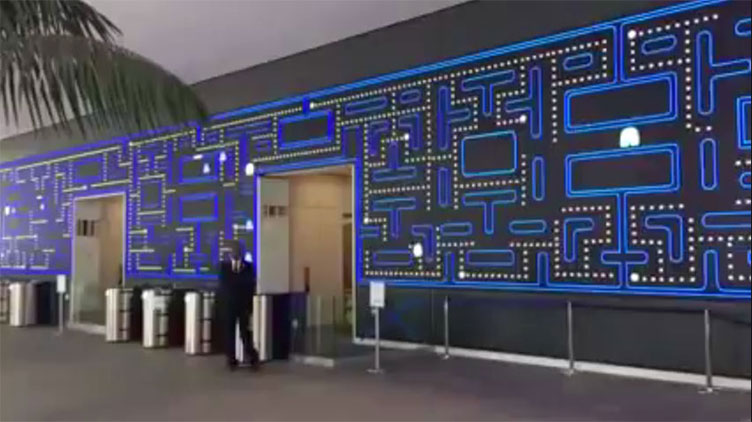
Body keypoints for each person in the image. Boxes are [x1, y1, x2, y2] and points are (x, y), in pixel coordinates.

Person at [218, 240, 259, 371]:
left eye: (238, 251)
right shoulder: (224, 267)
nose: (235, 253)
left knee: (245, 333)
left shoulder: (248, 267)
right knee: (229, 333)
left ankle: (252, 357)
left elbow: (250, 285)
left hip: (243, 306)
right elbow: (224, 285)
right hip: (229, 306)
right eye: (233, 251)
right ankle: (231, 360)